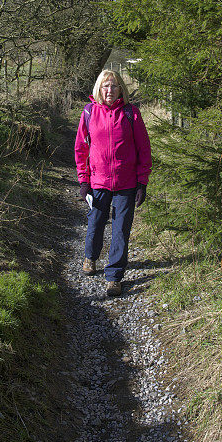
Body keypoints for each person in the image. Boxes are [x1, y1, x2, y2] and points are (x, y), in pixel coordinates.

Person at [74, 69, 152, 297]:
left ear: (121, 89)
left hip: (126, 183)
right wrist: (83, 180)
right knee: (96, 222)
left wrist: (142, 182)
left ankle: (114, 277)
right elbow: (81, 148)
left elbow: (143, 149)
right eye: (105, 86)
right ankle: (91, 257)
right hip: (98, 181)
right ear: (99, 88)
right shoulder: (89, 112)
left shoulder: (131, 113)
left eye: (114, 86)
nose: (109, 90)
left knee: (120, 230)